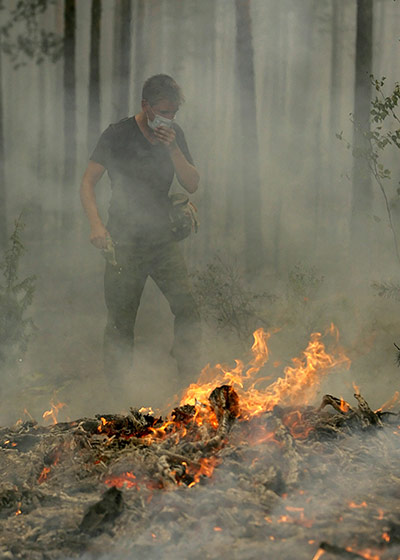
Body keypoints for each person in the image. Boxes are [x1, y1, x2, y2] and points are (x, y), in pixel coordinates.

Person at [80, 74, 201, 398]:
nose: (168, 117)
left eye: (173, 112)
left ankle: (189, 386)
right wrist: (96, 225)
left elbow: (191, 182)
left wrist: (173, 146)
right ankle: (120, 397)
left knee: (187, 308)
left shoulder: (174, 136)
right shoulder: (117, 135)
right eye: (163, 111)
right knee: (121, 322)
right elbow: (88, 182)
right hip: (124, 240)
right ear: (145, 105)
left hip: (162, 240)